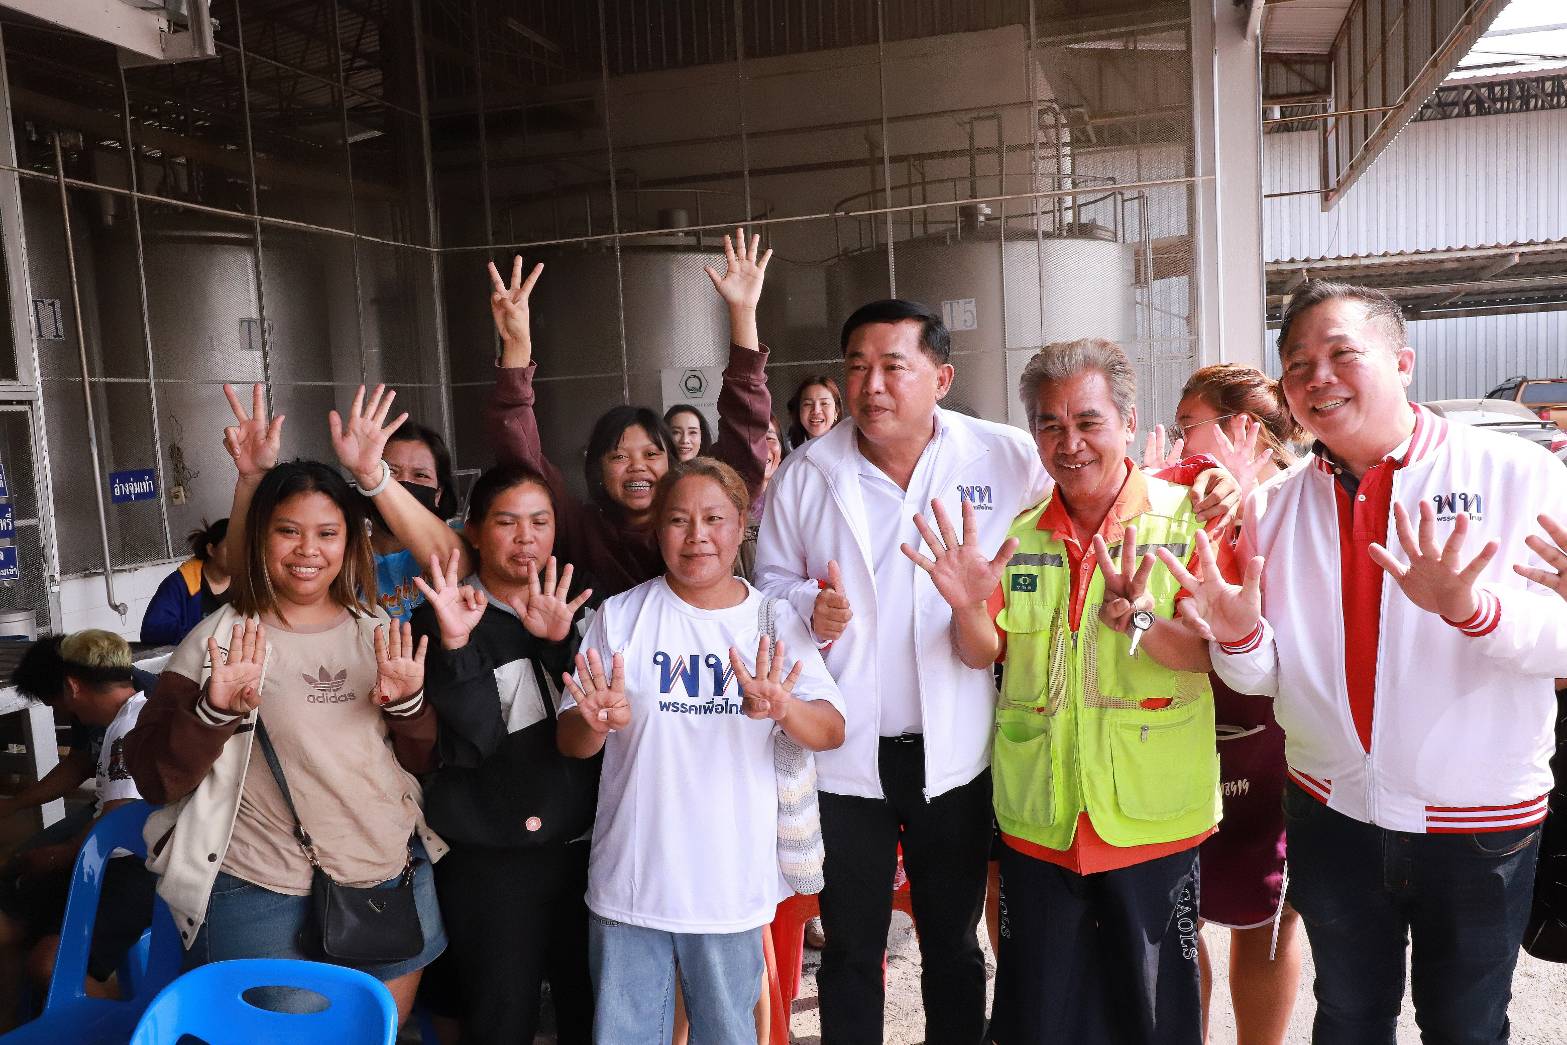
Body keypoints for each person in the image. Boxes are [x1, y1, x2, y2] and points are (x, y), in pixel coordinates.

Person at [754, 301, 1237, 1044]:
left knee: (954, 943)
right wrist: (807, 608)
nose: (872, 385)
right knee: (850, 945)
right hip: (847, 754)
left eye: (892, 366)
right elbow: (770, 585)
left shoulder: (1004, 454)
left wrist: (1208, 478)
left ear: (941, 377)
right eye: (857, 367)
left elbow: (1104, 482)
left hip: (959, 753)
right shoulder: (805, 475)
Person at [1170, 280, 1567, 1044]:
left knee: (1465, 1025)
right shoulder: (1273, 506)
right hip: (1331, 815)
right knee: (1348, 1017)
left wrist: (1470, 608)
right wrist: (1237, 637)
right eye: (1296, 363)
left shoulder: (1516, 475)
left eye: (1339, 353)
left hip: (1478, 822)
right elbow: (1265, 677)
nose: (1316, 376)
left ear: (1402, 362)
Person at [912, 338, 1217, 1044]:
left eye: (1087, 421)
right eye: (1049, 424)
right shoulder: (1019, 535)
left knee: (1152, 1020)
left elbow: (1213, 658)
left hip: (1148, 820)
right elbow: (980, 650)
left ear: (1128, 422)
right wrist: (965, 605)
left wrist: (1139, 620)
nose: (1069, 443)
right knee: (1039, 1022)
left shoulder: (1186, 521)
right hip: (1041, 818)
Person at [124, 460, 446, 1024]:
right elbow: (155, 779)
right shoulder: (217, 640)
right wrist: (214, 713)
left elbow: (421, 760)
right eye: (288, 531)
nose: (308, 550)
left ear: (350, 542)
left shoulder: (376, 630)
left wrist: (408, 708)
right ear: (259, 537)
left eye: (327, 533)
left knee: (376, 1035)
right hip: (262, 892)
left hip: (388, 878)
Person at [558, 458, 845, 1045]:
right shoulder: (623, 616)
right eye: (678, 520)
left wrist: (784, 708)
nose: (697, 536)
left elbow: (832, 729)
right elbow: (571, 741)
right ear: (657, 529)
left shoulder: (774, 621)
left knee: (727, 1033)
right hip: (630, 885)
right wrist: (594, 722)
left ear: (740, 526)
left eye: (713, 519)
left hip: (729, 888)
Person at [409, 465, 595, 1045]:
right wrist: (457, 644)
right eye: (507, 522)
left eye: (540, 522)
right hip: (490, 860)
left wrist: (559, 643)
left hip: (582, 849)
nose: (525, 538)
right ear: (473, 530)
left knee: (589, 1009)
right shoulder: (441, 615)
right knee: (500, 1017)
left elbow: (598, 724)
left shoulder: (578, 610)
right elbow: (473, 741)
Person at [486, 229, 774, 598]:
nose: (637, 467)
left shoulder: (697, 524)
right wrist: (515, 348)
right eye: (619, 456)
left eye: (652, 454)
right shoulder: (580, 528)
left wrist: (743, 314)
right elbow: (523, 462)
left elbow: (743, 448)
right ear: (597, 468)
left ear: (673, 463)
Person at [1173, 364, 1305, 1045]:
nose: (1177, 439)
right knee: (1177, 913)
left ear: (1242, 427)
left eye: (1187, 424)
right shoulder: (1178, 495)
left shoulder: (1293, 503)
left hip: (1267, 735)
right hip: (1179, 724)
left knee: (1267, 914)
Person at [0, 630, 154, 1030]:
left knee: (49, 964)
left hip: (135, 863)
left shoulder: (134, 722)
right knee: (13, 913)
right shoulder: (115, 705)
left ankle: (139, 1030)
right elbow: (88, 775)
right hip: (110, 852)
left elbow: (118, 823)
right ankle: (21, 1023)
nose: (65, 712)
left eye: (60, 702)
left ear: (71, 686)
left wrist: (59, 855)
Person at [214, 383, 468, 625]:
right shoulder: (338, 545)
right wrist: (252, 478)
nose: (403, 484)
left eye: (420, 475)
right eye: (391, 471)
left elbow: (454, 565)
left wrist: (374, 475)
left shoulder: (452, 537)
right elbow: (244, 569)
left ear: (439, 493)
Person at [141, 518, 231, 646]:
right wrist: (203, 636)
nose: (240, 554)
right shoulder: (179, 584)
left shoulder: (249, 584)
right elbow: (152, 631)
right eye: (231, 547)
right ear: (211, 550)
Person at [786, 375, 843, 447]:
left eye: (824, 403)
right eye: (808, 404)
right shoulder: (787, 449)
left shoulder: (849, 447)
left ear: (836, 411)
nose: (816, 410)